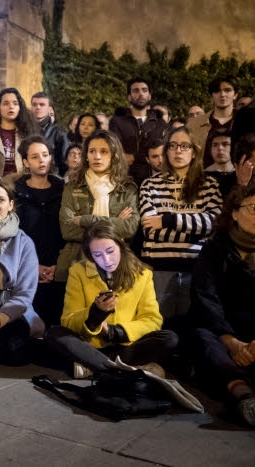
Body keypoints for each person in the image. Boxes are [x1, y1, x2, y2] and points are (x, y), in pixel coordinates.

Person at [46, 219, 178, 379]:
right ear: (90, 255)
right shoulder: (78, 272)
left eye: (110, 251)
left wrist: (114, 331)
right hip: (89, 346)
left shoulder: (142, 274)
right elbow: (68, 320)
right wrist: (94, 314)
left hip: (126, 346)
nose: (106, 260)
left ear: (121, 244)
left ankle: (95, 367)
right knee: (55, 334)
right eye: (97, 255)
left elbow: (152, 320)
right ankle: (119, 370)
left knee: (169, 338)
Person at [139, 126, 222, 330]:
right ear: (166, 151)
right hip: (158, 270)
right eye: (173, 146)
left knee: (191, 330)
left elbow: (213, 224)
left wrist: (166, 220)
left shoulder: (209, 184)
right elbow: (150, 228)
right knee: (158, 329)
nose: (178, 151)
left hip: (196, 269)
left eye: (184, 146)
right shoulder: (150, 185)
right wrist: (194, 226)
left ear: (194, 151)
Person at [190, 183, 255, 426]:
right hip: (221, 328)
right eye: (253, 208)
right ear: (235, 213)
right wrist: (231, 340)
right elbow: (205, 296)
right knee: (203, 338)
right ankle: (243, 395)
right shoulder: (215, 248)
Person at [56, 129, 139, 283]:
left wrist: (85, 220)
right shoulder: (73, 187)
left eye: (104, 151)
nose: (97, 156)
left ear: (114, 155)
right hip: (75, 262)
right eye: (92, 151)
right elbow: (67, 229)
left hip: (117, 265)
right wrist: (114, 223)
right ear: (86, 155)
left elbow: (129, 227)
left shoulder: (127, 188)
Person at [0, 181, 43, 366]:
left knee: (15, 353)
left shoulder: (24, 242)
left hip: (10, 309)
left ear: (11, 204)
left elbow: (24, 294)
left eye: (1, 200)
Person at [11, 135, 66, 326]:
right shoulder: (15, 192)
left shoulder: (64, 189)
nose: (42, 160)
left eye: (45, 155)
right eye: (35, 157)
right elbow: (12, 236)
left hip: (58, 267)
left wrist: (59, 265)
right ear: (25, 162)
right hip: (25, 268)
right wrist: (33, 267)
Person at [109, 78, 168, 186]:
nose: (141, 94)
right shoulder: (117, 121)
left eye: (144, 90)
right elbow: (116, 152)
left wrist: (134, 157)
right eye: (136, 91)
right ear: (129, 96)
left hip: (155, 181)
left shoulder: (159, 123)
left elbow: (161, 151)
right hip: (125, 179)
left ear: (149, 95)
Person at [0, 87, 39, 177]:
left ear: (20, 108)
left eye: (15, 103)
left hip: (24, 186)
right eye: (6, 103)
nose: (11, 106)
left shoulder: (28, 134)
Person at [187, 76, 239, 167]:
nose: (222, 94)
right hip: (202, 177)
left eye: (227, 90)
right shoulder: (194, 124)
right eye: (217, 91)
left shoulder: (247, 121)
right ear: (212, 96)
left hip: (240, 178)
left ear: (235, 94)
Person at [31, 91, 69, 176]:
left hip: (51, 179)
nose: (38, 107)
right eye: (34, 104)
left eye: (42, 104)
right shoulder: (24, 130)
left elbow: (64, 164)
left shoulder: (60, 134)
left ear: (49, 109)